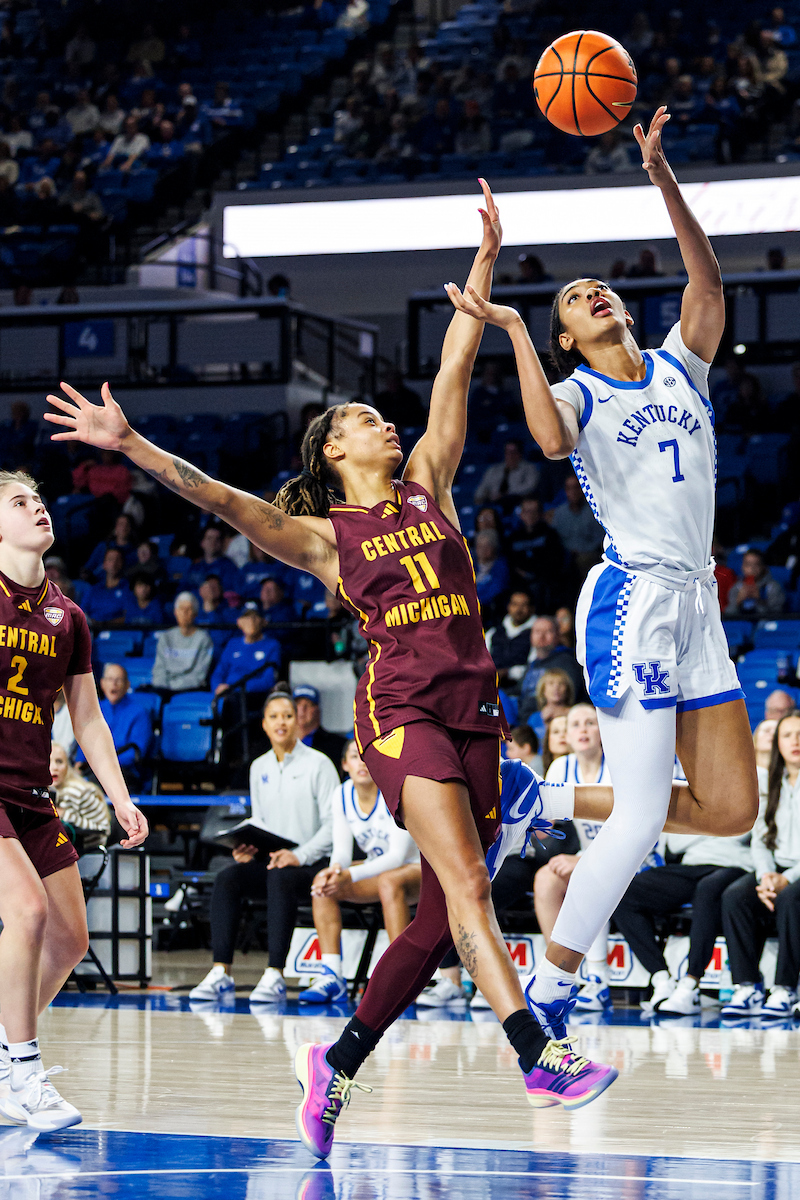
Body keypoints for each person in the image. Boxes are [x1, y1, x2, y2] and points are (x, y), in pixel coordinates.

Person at [48, 181, 617, 1160]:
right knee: (469, 884)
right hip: (402, 717)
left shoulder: (429, 484)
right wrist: (132, 443)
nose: (384, 423)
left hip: (476, 710)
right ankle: (537, 1052)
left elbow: (453, 367)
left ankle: (337, 1063)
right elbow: (219, 498)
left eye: (382, 416)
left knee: (436, 923)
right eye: (362, 418)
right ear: (331, 447)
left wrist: (484, 262)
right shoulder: (322, 537)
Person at [444, 106, 758, 1043]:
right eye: (576, 299)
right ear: (568, 339)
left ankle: (535, 798)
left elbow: (707, 280)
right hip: (633, 603)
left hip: (698, 601)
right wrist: (512, 327)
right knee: (640, 819)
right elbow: (547, 440)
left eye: (601, 288)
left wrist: (662, 175)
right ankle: (553, 984)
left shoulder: (681, 368)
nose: (595, 293)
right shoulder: (575, 390)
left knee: (730, 808)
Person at [0, 469, 146, 1130]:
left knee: (69, 937)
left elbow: (87, 719)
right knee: (27, 911)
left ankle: (7, 1053)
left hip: (33, 791)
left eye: (39, 499)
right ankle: (24, 1072)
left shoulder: (70, 617)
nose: (37, 508)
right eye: (19, 502)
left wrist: (120, 798)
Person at [188, 686, 338, 1003]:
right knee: (228, 878)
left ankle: (275, 974)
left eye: (288, 716)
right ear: (264, 725)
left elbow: (333, 825)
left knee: (280, 877)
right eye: (274, 717)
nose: (281, 722)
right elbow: (262, 822)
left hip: (312, 865)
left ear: (297, 721)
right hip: (274, 861)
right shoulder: (259, 767)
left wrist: (299, 855)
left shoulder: (319, 764)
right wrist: (248, 847)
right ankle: (221, 972)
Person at [300, 741, 421, 1003]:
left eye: (367, 756)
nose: (362, 763)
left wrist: (351, 875)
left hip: (419, 869)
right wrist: (336, 870)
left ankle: (401, 977)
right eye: (355, 757)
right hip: (378, 872)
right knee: (323, 882)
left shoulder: (395, 789)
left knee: (389, 881)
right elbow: (342, 851)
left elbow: (397, 857)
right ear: (345, 764)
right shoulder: (342, 794)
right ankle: (332, 974)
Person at [534, 705, 617, 1012]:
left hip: (638, 857)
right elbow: (543, 827)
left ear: (602, 731)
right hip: (590, 856)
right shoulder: (560, 768)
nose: (583, 729)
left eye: (590, 723)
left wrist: (583, 859)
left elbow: (631, 829)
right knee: (545, 879)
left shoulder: (619, 766)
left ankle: (598, 978)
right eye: (576, 724)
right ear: (566, 736)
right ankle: (559, 975)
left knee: (589, 876)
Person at [721, 709, 800, 1019]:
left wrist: (787, 878)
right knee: (735, 896)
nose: (795, 741)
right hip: (775, 868)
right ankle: (747, 986)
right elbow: (760, 838)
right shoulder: (770, 783)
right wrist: (767, 875)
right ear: (778, 743)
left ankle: (785, 988)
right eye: (788, 735)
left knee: (791, 898)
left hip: (795, 874)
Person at [75, 663, 152, 786]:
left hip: (124, 771)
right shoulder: (95, 709)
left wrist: (104, 764)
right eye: (110, 679)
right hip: (94, 769)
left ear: (127, 685)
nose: (114, 684)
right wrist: (79, 762)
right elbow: (85, 742)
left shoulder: (139, 713)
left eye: (118, 680)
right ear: (102, 683)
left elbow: (136, 752)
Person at [518, 617, 583, 723]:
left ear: (557, 636)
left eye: (548, 631)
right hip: (524, 718)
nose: (542, 636)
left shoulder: (566, 661)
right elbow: (518, 690)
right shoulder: (532, 664)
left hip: (548, 717)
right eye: (537, 632)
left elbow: (571, 695)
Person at [50, 742, 110, 853]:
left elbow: (102, 829)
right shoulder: (41, 791)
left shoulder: (77, 790)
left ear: (67, 766)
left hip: (89, 850)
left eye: (59, 761)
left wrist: (63, 814)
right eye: (48, 761)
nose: (54, 767)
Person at [151, 592, 213, 693]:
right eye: (181, 609)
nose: (184, 613)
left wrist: (174, 687)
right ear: (175, 612)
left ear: (195, 614)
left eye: (188, 609)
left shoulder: (204, 639)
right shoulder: (165, 637)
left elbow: (199, 674)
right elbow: (159, 669)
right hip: (164, 689)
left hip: (190, 690)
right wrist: (164, 687)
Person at [548, 474, 604, 581]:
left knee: (584, 561)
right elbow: (556, 538)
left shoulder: (594, 512)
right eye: (569, 488)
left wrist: (582, 552)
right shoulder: (559, 512)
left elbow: (599, 539)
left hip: (589, 556)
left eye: (576, 487)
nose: (573, 492)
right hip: (565, 556)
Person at [484, 590, 535, 691]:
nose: (518, 609)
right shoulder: (493, 632)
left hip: (519, 689)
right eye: (515, 604)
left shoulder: (536, 633)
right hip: (490, 687)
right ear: (508, 607)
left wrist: (508, 672)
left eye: (523, 605)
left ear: (532, 608)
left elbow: (535, 665)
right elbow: (481, 660)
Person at [293, 685, 346, 771]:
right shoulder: (279, 740)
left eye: (308, 704)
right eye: (297, 704)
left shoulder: (337, 745)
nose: (302, 709)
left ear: (317, 710)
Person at [473, 440, 539, 509]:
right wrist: (480, 497)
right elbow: (483, 486)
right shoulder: (494, 469)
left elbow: (530, 487)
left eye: (513, 452)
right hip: (493, 501)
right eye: (507, 452)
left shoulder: (529, 468)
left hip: (516, 501)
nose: (510, 455)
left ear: (519, 453)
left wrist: (505, 494)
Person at [725, 549, 785, 616]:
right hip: (742, 621)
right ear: (742, 567)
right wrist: (738, 602)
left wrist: (759, 600)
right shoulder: (737, 587)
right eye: (747, 565)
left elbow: (777, 615)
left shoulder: (772, 587)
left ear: (763, 567)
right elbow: (728, 614)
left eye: (756, 565)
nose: (751, 568)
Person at [82, 547, 130, 625]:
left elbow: (128, 616)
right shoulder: (93, 590)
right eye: (110, 560)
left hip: (117, 630)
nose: (114, 564)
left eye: (117, 560)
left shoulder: (128, 589)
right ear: (104, 564)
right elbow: (83, 612)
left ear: (122, 564)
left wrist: (104, 624)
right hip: (92, 629)